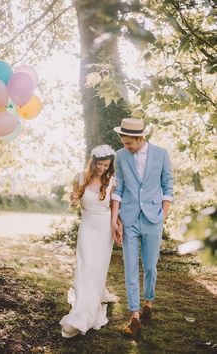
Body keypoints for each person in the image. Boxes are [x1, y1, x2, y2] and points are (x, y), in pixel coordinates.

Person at [111, 118, 173, 338]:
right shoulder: (120, 156)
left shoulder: (161, 154)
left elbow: (168, 187)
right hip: (128, 218)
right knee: (130, 268)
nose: (126, 147)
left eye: (129, 143)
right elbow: (118, 187)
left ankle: (148, 304)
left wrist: (162, 216)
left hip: (153, 218)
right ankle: (135, 317)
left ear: (140, 138)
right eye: (124, 143)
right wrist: (114, 217)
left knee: (149, 266)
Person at [60, 144, 117, 338]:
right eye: (99, 164)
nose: (102, 168)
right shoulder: (79, 177)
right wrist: (74, 200)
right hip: (87, 226)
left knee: (98, 267)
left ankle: (93, 299)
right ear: (93, 163)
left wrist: (117, 226)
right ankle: (83, 304)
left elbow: (116, 208)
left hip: (104, 229)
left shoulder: (112, 181)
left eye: (106, 165)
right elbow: (75, 202)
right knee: (84, 264)